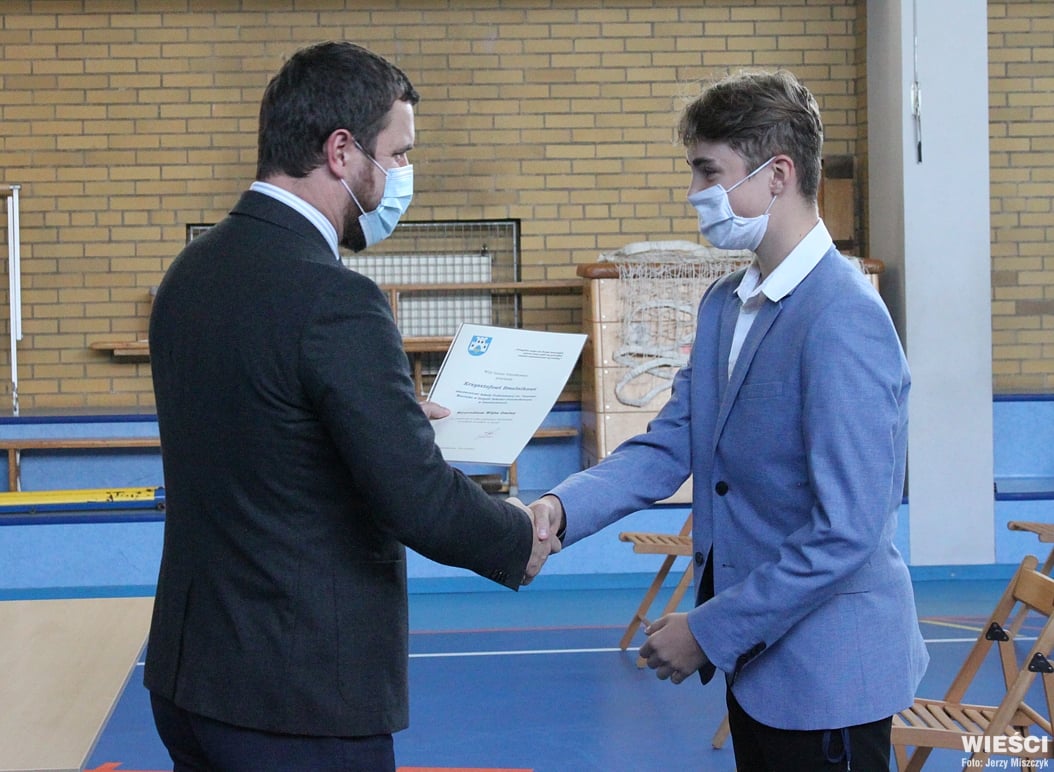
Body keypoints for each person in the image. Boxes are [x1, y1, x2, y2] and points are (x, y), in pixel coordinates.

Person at [145, 41, 556, 772]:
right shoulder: (336, 298)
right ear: (341, 152)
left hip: (191, 675)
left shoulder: (191, 272)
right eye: (398, 154)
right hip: (296, 695)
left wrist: (384, 413)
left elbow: (263, 428)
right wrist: (516, 535)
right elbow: (416, 499)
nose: (402, 174)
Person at [530, 70, 928, 771]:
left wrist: (709, 631)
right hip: (760, 666)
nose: (694, 194)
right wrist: (558, 510)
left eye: (709, 172)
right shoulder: (724, 304)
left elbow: (848, 531)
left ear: (778, 175)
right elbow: (669, 444)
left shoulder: (843, 317)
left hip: (828, 676)